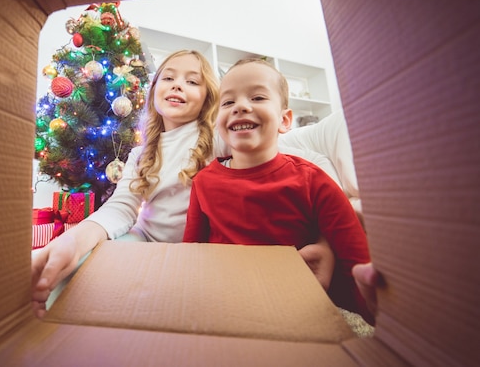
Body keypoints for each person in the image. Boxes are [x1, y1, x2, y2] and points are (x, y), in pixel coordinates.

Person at [31, 50, 335, 318]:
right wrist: (76, 239)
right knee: (83, 271)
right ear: (153, 91)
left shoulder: (219, 136)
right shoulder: (139, 154)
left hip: (200, 254)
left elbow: (307, 161)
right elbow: (121, 209)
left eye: (193, 81)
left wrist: (324, 242)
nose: (178, 85)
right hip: (145, 240)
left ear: (208, 98)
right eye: (169, 78)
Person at [182, 58, 374, 325]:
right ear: (218, 123)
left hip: (295, 311)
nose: (241, 106)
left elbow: (358, 266)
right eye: (228, 102)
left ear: (285, 120)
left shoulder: (314, 180)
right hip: (224, 307)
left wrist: (377, 311)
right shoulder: (203, 183)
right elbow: (191, 256)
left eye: (258, 97)